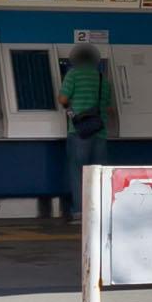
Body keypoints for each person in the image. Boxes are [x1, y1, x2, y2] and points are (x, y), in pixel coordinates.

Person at [58, 43, 110, 222]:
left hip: (79, 131)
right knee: (98, 173)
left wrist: (69, 109)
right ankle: (99, 211)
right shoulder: (102, 77)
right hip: (100, 131)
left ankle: (80, 212)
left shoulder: (73, 74)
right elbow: (107, 104)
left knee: (78, 172)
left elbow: (63, 98)